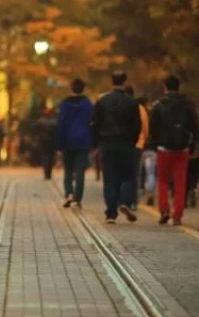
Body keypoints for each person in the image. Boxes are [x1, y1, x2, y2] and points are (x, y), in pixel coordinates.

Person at [148, 76, 198, 226]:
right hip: (182, 148)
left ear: (165, 87)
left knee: (163, 180)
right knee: (180, 182)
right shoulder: (188, 104)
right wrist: (192, 143)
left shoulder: (158, 105)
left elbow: (153, 127)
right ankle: (177, 214)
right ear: (178, 87)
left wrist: (155, 143)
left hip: (164, 148)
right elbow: (194, 126)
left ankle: (164, 210)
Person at [92, 72, 141, 224]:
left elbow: (96, 124)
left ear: (111, 81)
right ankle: (125, 202)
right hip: (125, 144)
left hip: (107, 143)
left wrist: (97, 143)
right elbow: (137, 126)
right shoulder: (132, 102)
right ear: (124, 82)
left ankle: (110, 213)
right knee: (127, 176)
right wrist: (132, 142)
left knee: (110, 178)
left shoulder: (102, 101)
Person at [56, 79, 94, 209]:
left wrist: (59, 145)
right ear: (83, 89)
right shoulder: (88, 104)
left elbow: (61, 125)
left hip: (67, 141)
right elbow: (92, 123)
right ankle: (77, 199)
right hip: (83, 141)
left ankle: (69, 194)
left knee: (68, 170)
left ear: (71, 88)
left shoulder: (65, 105)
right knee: (80, 172)